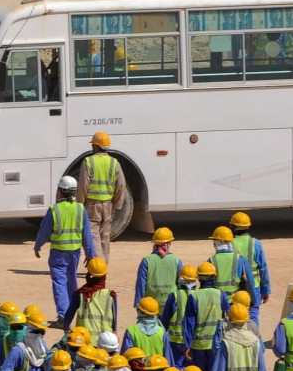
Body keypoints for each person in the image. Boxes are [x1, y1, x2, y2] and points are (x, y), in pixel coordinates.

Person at [34, 176, 96, 324]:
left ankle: (63, 315)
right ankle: (72, 311)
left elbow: (44, 230)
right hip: (74, 252)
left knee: (59, 283)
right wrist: (90, 254)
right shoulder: (80, 209)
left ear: (61, 191)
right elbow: (87, 233)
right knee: (71, 281)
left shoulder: (54, 210)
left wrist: (38, 246)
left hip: (58, 253)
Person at [76, 131, 125, 261]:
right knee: (105, 236)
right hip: (108, 205)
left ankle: (98, 266)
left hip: (92, 205)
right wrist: (117, 204)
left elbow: (83, 186)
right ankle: (104, 266)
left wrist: (79, 205)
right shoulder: (114, 163)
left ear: (96, 146)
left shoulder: (88, 161)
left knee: (93, 236)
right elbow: (121, 186)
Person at [228, 212, 270, 323]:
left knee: (235, 316)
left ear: (232, 227)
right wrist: (265, 290)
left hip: (235, 288)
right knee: (253, 316)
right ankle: (254, 338)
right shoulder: (255, 243)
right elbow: (263, 268)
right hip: (254, 287)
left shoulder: (229, 243)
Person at [64, 257, 117, 342]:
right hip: (105, 342)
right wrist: (114, 334)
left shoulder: (80, 294)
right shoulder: (111, 296)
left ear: (89, 274)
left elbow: (69, 315)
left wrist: (66, 329)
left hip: (83, 341)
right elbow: (114, 320)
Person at [134, 227, 182, 310]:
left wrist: (138, 303)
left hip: (150, 306)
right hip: (171, 306)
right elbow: (181, 284)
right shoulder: (176, 260)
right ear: (168, 243)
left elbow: (141, 285)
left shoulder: (146, 260)